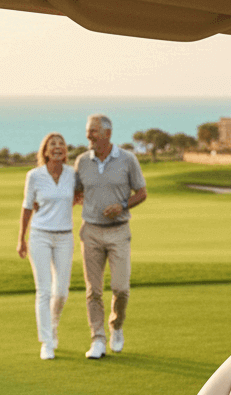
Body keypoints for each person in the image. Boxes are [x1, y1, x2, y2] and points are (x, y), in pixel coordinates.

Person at [74, 114, 147, 360]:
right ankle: (97, 338)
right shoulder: (82, 161)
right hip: (91, 232)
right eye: (87, 131)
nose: (88, 135)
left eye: (93, 131)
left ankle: (116, 326)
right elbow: (75, 192)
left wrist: (122, 205)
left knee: (121, 288)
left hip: (118, 231)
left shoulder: (128, 160)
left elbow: (142, 192)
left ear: (107, 134)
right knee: (93, 290)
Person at [17, 132, 75, 360]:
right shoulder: (34, 176)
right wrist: (21, 238)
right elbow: (26, 208)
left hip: (64, 237)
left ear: (65, 150)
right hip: (40, 236)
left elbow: (80, 194)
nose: (57, 147)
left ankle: (53, 325)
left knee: (61, 291)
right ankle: (46, 342)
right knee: (43, 291)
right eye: (53, 144)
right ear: (45, 150)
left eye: (61, 144)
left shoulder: (72, 174)